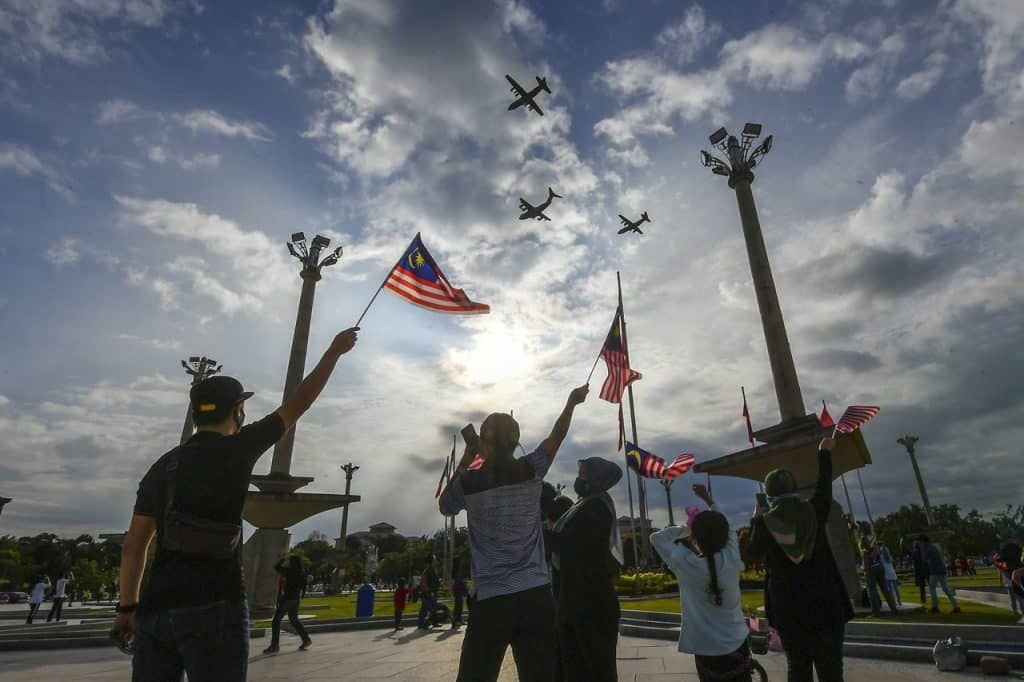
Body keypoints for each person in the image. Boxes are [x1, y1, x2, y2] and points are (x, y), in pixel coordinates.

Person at [110, 326, 359, 682]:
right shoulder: (239, 449)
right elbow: (299, 403)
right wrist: (334, 351)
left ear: (196, 414)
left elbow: (134, 547)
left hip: (156, 610)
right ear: (238, 410)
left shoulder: (162, 468)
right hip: (216, 606)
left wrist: (127, 608)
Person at [439, 384, 589, 682]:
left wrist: (467, 458)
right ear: (517, 440)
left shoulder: (468, 482)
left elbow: (445, 506)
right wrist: (571, 402)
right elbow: (557, 436)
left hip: (492, 598)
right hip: (535, 595)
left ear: (483, 441)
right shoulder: (531, 469)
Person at [747, 437, 853, 682]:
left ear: (769, 494)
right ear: (794, 489)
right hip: (826, 606)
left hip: (788, 611)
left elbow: (752, 552)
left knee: (798, 668)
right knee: (831, 671)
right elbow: (824, 486)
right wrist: (823, 453)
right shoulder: (815, 510)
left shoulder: (765, 523)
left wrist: (757, 518)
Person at [652, 484, 750, 682]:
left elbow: (656, 537)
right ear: (725, 537)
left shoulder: (684, 563)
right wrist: (709, 500)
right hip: (737, 643)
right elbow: (728, 527)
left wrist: (686, 528)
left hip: (705, 649)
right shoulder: (731, 557)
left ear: (695, 538)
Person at [548, 457, 624, 682]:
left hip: (592, 605)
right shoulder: (582, 505)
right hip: (574, 603)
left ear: (596, 478)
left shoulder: (597, 506)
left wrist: (538, 533)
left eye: (583, 474)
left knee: (596, 670)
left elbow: (573, 545)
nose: (578, 479)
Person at [263, 554, 312, 654]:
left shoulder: (290, 571)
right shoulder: (302, 573)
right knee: (294, 620)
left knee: (276, 621)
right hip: (296, 599)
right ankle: (306, 639)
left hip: (288, 599)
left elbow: (277, 567)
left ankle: (274, 646)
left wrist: (283, 559)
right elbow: (304, 587)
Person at [919, 534, 960, 614]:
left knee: (932, 588)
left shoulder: (928, 548)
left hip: (935, 571)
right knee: (946, 589)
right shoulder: (933, 547)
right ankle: (956, 606)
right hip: (942, 569)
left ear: (923, 542)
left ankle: (935, 606)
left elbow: (924, 559)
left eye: (921, 542)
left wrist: (921, 549)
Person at [861, 535, 898, 618]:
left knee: (872, 592)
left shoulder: (864, 547)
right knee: (885, 589)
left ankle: (876, 613)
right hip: (880, 567)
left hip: (871, 569)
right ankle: (894, 610)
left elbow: (866, 561)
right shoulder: (875, 545)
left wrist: (864, 569)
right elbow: (877, 553)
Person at [417, 554, 440, 629]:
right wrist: (428, 591)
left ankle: (434, 622)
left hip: (433, 591)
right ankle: (421, 623)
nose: (435, 560)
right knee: (425, 608)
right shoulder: (427, 570)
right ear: (431, 561)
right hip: (429, 592)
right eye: (434, 559)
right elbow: (424, 581)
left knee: (432, 607)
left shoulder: (433, 570)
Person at [911, 539, 929, 604]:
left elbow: (916, 561)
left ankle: (923, 599)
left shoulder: (915, 551)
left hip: (919, 570)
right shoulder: (923, 550)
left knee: (922, 586)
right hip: (925, 569)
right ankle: (932, 598)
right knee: (929, 584)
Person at [451, 558, 468, 628]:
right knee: (459, 605)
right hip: (459, 589)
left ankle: (457, 619)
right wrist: (464, 586)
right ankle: (457, 620)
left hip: (457, 589)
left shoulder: (455, 570)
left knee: (457, 605)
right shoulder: (457, 571)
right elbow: (459, 581)